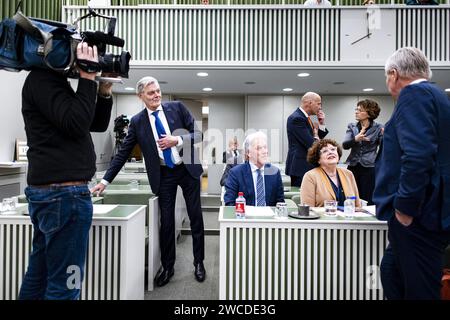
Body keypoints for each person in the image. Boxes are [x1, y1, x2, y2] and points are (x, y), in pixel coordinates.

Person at [18, 43, 114, 300]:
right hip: (63, 196)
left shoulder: (50, 82)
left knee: (39, 274)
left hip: (54, 195)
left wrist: (102, 91)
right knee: (66, 283)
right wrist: (87, 78)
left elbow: (93, 123)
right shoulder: (43, 80)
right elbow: (76, 123)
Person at [91, 76, 206, 287]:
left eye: (158, 91)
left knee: (196, 217)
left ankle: (199, 262)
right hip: (164, 175)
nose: (156, 95)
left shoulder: (177, 108)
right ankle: (168, 266)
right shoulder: (137, 122)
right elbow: (122, 153)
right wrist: (105, 181)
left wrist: (177, 140)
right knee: (166, 223)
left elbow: (198, 134)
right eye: (151, 93)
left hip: (187, 169)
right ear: (141, 96)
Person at [373, 47, 450, 299]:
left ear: (394, 74)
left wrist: (404, 208)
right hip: (430, 209)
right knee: (391, 271)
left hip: (417, 214)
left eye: (387, 77)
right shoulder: (437, 96)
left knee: (420, 291)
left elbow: (418, 156)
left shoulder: (412, 95)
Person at [224, 131, 284, 206]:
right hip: (245, 216)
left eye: (265, 147)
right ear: (248, 153)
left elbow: (280, 203)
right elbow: (230, 204)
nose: (264, 151)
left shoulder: (274, 172)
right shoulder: (236, 173)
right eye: (258, 148)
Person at [342, 99, 383, 205]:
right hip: (353, 166)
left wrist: (386, 137)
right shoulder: (352, 126)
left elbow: (384, 147)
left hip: (369, 167)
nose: (356, 112)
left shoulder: (379, 128)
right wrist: (356, 139)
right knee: (351, 196)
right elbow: (345, 145)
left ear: (369, 113)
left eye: (360, 110)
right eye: (356, 109)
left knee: (368, 197)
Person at [300, 139, 361, 208]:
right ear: (318, 159)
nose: (330, 152)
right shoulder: (310, 176)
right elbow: (307, 210)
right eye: (325, 151)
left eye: (333, 149)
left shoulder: (348, 174)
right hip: (324, 218)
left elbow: (357, 205)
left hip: (348, 217)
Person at [286, 92, 328, 187]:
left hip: (306, 165)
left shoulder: (305, 118)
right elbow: (311, 143)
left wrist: (321, 123)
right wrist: (316, 136)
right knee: (303, 198)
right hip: (301, 167)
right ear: (309, 103)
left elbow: (316, 139)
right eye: (318, 103)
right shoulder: (297, 118)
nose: (320, 107)